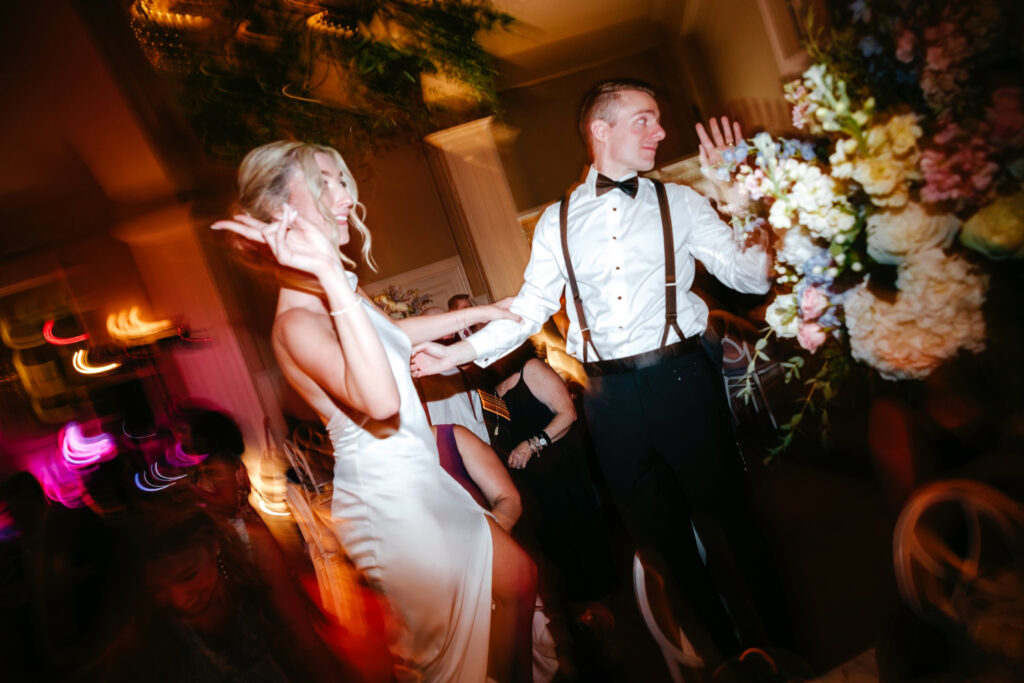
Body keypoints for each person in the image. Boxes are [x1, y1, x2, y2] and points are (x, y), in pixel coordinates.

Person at [412, 78, 790, 660]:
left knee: (735, 520)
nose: (660, 132)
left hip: (683, 381)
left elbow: (753, 278)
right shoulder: (555, 223)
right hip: (608, 402)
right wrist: (455, 354)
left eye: (659, 119)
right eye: (645, 119)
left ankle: (785, 649)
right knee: (663, 540)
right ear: (600, 129)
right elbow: (529, 308)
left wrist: (740, 198)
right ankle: (731, 655)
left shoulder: (681, 202)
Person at [212, 140, 537, 682]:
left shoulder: (338, 297)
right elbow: (382, 401)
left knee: (520, 581)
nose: (344, 196)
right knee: (446, 663)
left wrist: (485, 311)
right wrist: (334, 278)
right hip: (391, 502)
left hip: (420, 478)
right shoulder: (297, 321)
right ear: (279, 213)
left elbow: (392, 334)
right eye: (325, 183)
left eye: (342, 181)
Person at [485, 344, 615, 606]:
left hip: (558, 462)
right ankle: (576, 602)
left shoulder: (531, 369)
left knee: (577, 526)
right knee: (552, 536)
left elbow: (568, 412)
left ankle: (604, 599)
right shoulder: (492, 386)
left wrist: (534, 444)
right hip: (530, 475)